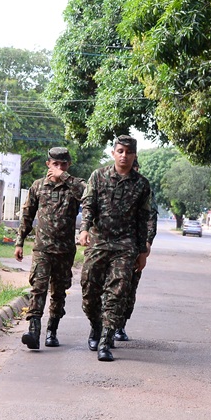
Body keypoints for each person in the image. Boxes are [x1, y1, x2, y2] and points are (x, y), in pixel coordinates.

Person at [77, 135, 153, 362]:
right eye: (120, 151)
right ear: (113, 153)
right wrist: (84, 229)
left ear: (134, 155)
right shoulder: (98, 176)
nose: (124, 155)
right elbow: (88, 204)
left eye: (129, 152)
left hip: (125, 245)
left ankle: (105, 341)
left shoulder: (141, 184)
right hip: (99, 241)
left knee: (117, 292)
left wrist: (143, 250)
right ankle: (96, 326)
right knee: (89, 288)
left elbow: (144, 219)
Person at [14, 147, 85, 349]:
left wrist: (65, 177)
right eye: (55, 164)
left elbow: (88, 196)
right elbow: (27, 216)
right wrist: (19, 242)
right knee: (38, 288)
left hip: (64, 250)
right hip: (42, 248)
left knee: (59, 291)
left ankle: (52, 330)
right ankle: (34, 331)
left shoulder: (74, 185)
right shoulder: (38, 186)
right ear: (48, 164)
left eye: (63, 164)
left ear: (68, 165)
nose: (59, 168)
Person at [115, 168, 158, 342]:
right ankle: (104, 326)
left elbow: (150, 217)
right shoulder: (109, 183)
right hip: (111, 246)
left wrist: (147, 243)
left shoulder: (143, 188)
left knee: (128, 288)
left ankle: (120, 325)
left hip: (133, 246)